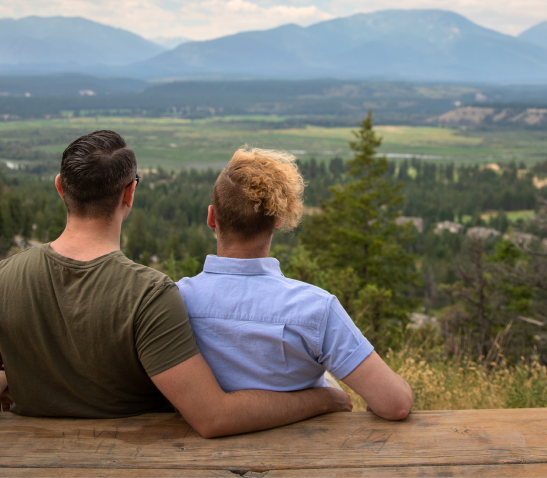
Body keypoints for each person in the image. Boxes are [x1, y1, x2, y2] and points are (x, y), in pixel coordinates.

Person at [0, 130, 352, 438]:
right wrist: (323, 397)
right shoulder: (149, 295)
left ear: (60, 188)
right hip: (129, 466)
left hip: (27, 466)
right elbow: (212, 417)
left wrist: (8, 375)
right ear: (129, 194)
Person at [175, 147, 414, 420]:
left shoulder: (174, 300)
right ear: (278, 220)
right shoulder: (316, 309)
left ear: (211, 218)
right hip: (300, 456)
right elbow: (395, 403)